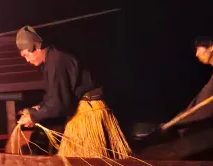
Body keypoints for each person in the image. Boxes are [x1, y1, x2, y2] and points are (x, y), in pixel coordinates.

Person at [15, 26, 131, 158]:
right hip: (84, 109)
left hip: (89, 112)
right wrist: (38, 108)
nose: (27, 60)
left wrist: (34, 117)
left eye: (26, 55)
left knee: (84, 165)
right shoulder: (52, 58)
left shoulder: (56, 61)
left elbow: (59, 104)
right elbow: (55, 95)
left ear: (36, 47)